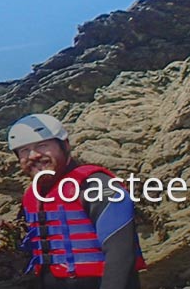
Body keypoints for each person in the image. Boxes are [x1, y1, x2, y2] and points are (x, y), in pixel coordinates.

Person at [8, 113, 146, 289]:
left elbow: (121, 255)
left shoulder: (96, 185)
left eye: (42, 145)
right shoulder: (32, 196)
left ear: (65, 145)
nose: (33, 155)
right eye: (24, 150)